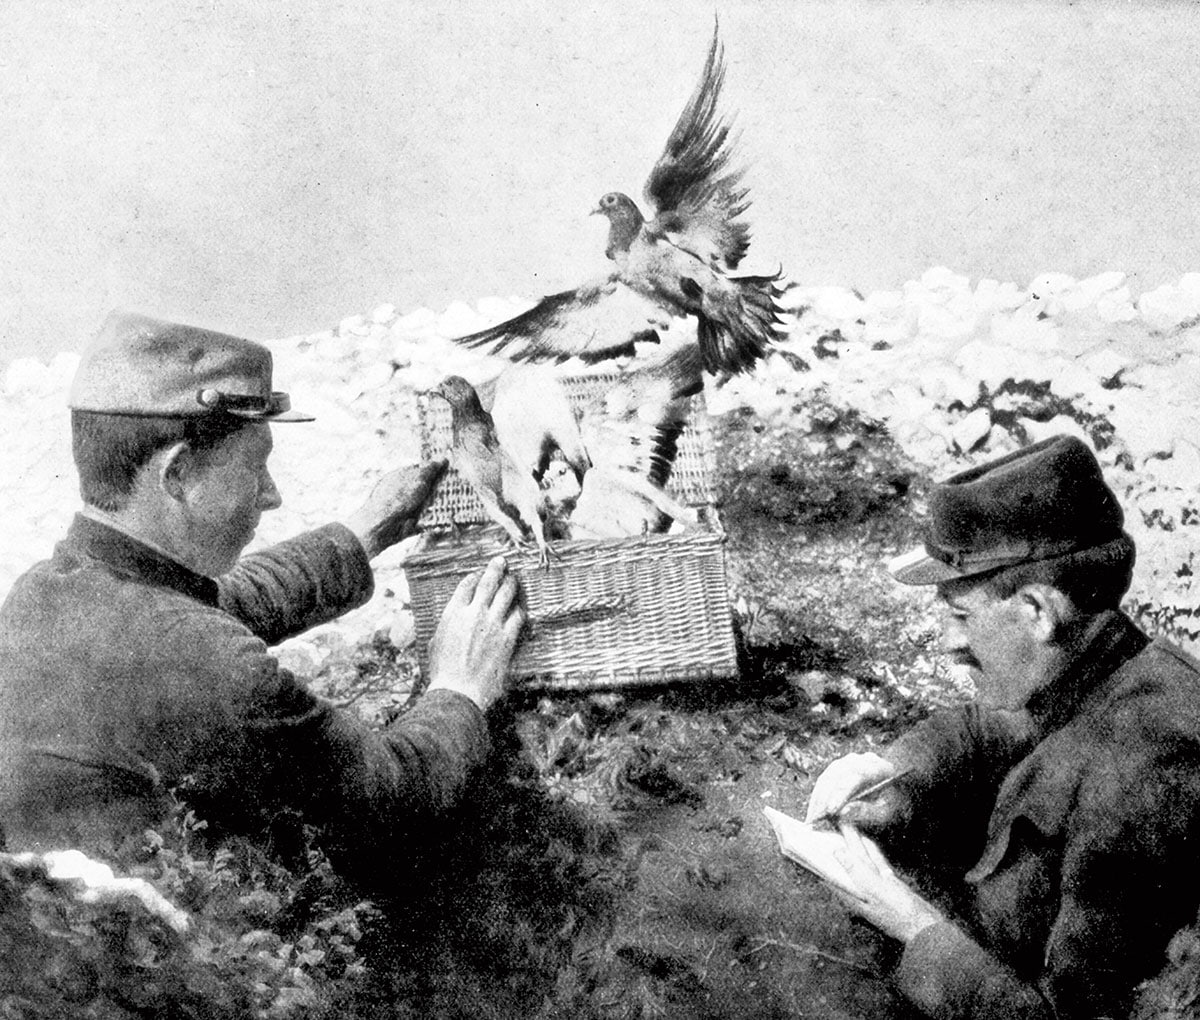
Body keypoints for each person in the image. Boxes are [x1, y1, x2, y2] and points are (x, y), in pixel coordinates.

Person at [0, 311, 525, 894]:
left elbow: (222, 604)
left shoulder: (44, 596)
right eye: (257, 466)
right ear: (177, 476)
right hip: (162, 967)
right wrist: (461, 688)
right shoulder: (200, 659)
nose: (272, 495)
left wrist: (362, 534)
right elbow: (391, 795)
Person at [805, 434, 1200, 1020]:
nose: (949, 643)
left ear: (1037, 612)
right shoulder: (1092, 661)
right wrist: (891, 777)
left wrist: (915, 928)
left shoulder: (1144, 772)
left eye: (961, 615)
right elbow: (984, 729)